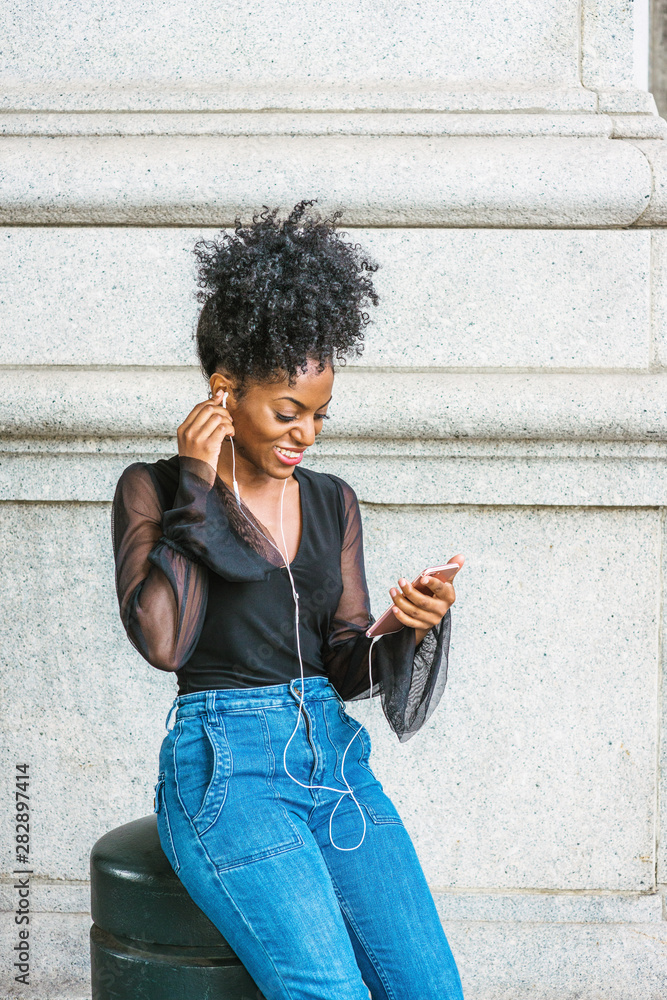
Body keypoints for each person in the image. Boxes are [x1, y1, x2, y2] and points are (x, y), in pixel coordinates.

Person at [111, 200, 465, 1000]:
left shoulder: (333, 500)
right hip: (226, 770)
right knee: (325, 992)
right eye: (287, 412)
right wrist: (197, 487)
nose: (307, 434)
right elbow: (164, 641)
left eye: (318, 415)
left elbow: (342, 665)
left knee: (428, 989)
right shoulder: (155, 489)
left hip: (334, 762)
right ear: (223, 392)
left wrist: (402, 628)